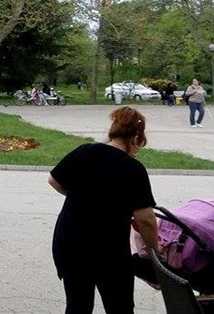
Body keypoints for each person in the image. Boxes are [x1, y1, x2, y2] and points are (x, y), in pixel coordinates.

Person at [48, 106, 159, 314]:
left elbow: (54, 180)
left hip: (70, 242)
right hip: (108, 249)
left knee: (77, 305)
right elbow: (146, 219)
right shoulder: (133, 169)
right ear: (135, 138)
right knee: (119, 306)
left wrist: (83, 198)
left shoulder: (84, 151)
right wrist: (155, 252)